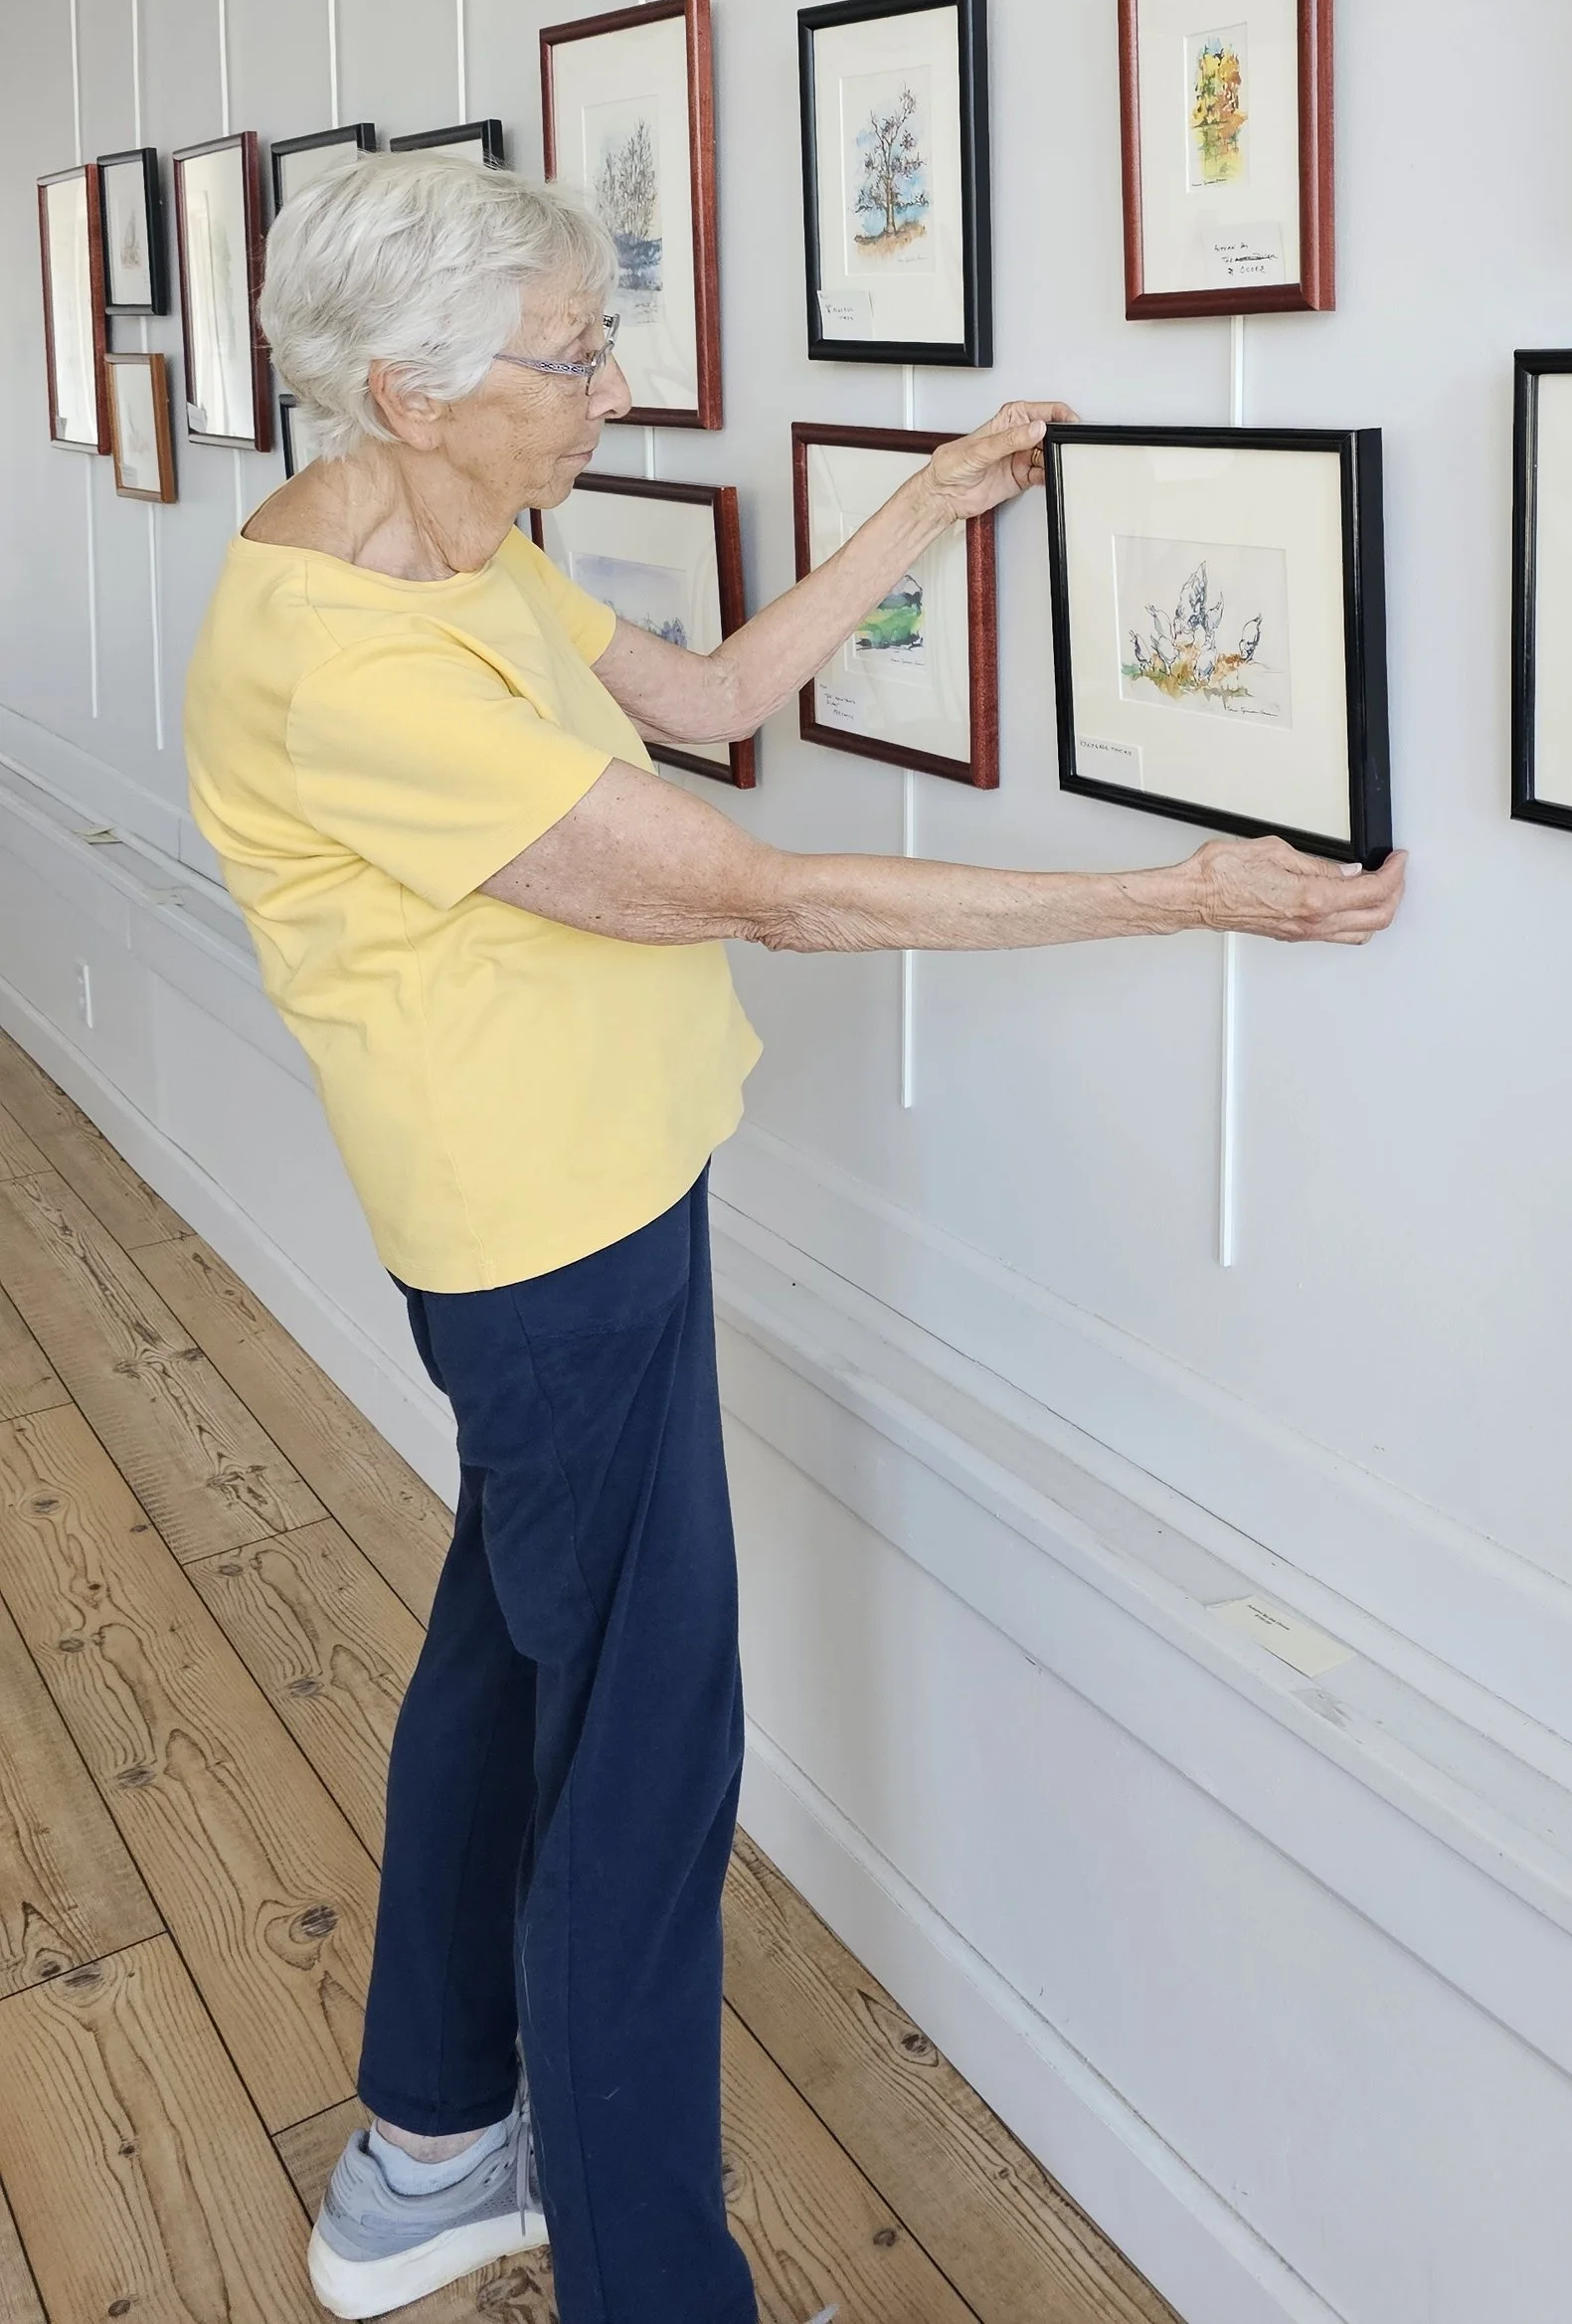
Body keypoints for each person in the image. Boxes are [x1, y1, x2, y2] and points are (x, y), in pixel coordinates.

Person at [182, 156, 1404, 2324]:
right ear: (410, 383)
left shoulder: (436, 537)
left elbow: (716, 694)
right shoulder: (348, 660)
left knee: (505, 1667)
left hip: (590, 1194)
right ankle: (651, 2287)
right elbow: (756, 882)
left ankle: (423, 2146)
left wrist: (920, 515)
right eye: (570, 359)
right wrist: (1180, 892)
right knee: (644, 1757)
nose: (608, 390)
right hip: (537, 1238)